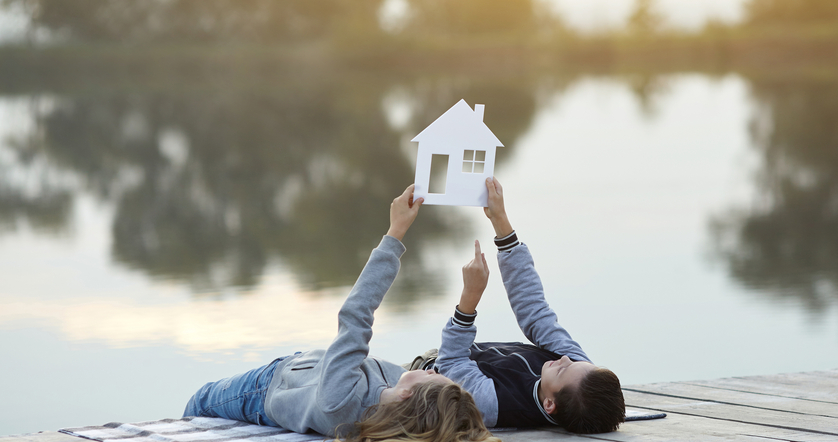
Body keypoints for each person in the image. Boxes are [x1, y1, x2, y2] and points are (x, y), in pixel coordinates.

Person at [184, 185, 498, 442]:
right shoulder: (395, 402)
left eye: (434, 378)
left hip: (263, 390)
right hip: (302, 372)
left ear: (407, 395)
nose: (434, 371)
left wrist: (395, 233)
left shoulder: (342, 402)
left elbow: (356, 315)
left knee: (198, 403)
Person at [432, 177, 626, 434]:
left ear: (549, 404)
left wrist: (470, 297)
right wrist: (500, 221)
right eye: (573, 361)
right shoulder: (580, 375)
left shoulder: (495, 405)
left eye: (562, 369)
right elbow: (535, 313)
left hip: (423, 374)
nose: (565, 358)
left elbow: (451, 363)